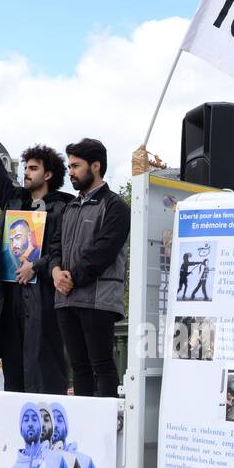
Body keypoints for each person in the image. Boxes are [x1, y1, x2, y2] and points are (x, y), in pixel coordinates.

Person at [0, 112, 71, 395]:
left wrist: (37, 266)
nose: (26, 172)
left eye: (33, 168)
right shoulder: (14, 199)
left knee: (41, 361)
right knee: (13, 361)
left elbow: (60, 248)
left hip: (42, 296)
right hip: (10, 295)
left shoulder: (61, 207)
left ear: (48, 174)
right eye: (25, 167)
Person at [47, 138, 130, 398]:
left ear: (95, 166)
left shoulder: (116, 206)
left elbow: (104, 250)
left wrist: (72, 278)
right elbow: (54, 248)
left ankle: (107, 428)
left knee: (102, 365)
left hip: (98, 299)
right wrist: (55, 273)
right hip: (65, 299)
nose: (70, 171)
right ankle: (84, 426)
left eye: (75, 165)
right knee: (78, 367)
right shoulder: (69, 207)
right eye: (69, 165)